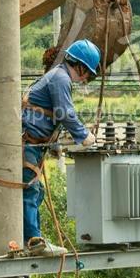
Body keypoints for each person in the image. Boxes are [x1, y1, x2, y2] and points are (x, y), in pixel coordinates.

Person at [21, 39, 100, 256]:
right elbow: (65, 113)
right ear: (80, 66)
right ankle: (32, 241)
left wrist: (54, 144)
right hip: (29, 142)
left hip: (34, 142)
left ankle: (31, 239)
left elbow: (52, 113)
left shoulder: (58, 76)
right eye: (88, 74)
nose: (86, 79)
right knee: (30, 189)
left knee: (36, 191)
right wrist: (84, 136)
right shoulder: (61, 78)